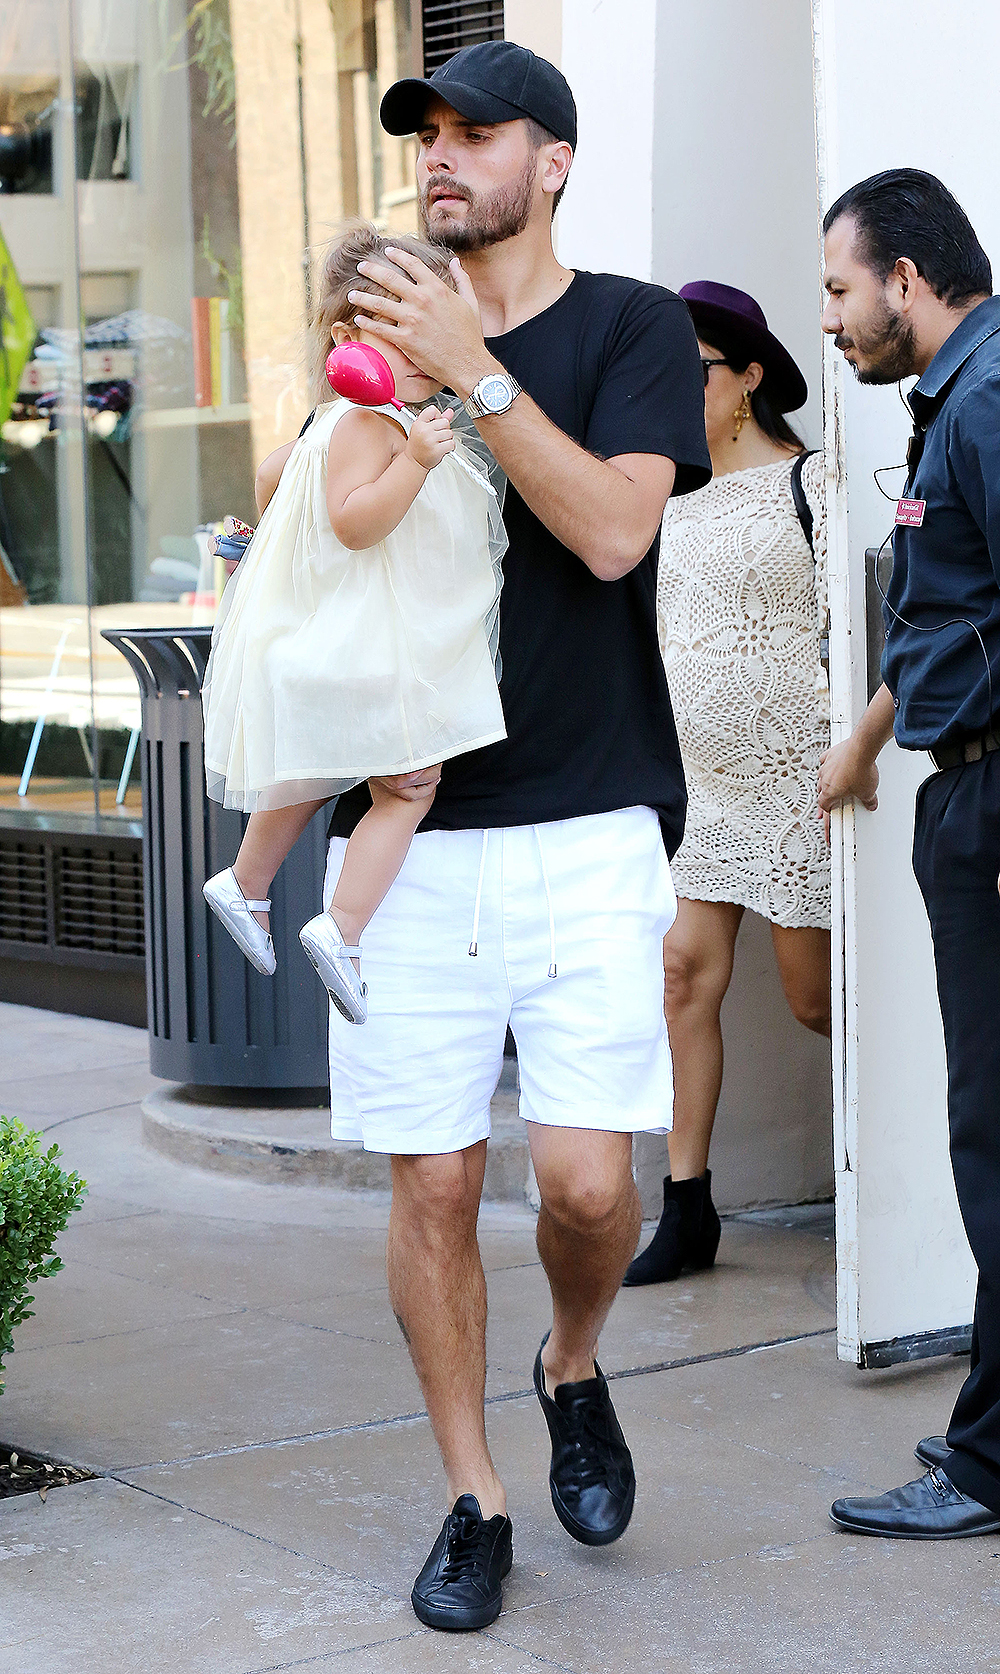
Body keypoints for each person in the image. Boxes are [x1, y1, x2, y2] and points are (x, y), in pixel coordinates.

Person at [320, 41, 710, 1632]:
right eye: (429, 132)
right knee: (430, 1188)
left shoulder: (631, 327)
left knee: (588, 1188)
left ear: (553, 161)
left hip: (589, 817)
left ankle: (571, 1358)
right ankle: (475, 1493)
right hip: (411, 839)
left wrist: (475, 373)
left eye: (481, 132)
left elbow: (618, 530)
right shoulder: (380, 338)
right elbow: (335, 534)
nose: (444, 154)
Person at [818, 167, 1000, 1540]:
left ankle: (991, 1466)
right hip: (965, 795)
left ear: (909, 276)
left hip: (996, 811)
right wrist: (873, 733)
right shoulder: (961, 399)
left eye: (839, 289)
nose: (830, 318)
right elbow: (948, 607)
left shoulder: (987, 399)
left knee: (994, 1143)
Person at [200, 226, 506, 1025]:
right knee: (411, 785)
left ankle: (250, 884)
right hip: (372, 647)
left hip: (357, 642)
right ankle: (339, 928)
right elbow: (355, 524)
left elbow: (278, 484)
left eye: (427, 329)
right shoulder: (369, 426)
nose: (417, 351)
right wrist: (413, 465)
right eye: (393, 331)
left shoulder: (368, 421)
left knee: (333, 766)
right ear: (345, 341)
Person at [625, 282, 831, 1287]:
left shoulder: (814, 485)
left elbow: (865, 626)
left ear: (746, 379)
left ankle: (899, 1192)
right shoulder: (659, 494)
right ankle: (687, 1208)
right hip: (698, 788)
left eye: (690, 368)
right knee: (679, 980)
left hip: (802, 788)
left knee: (816, 1003)